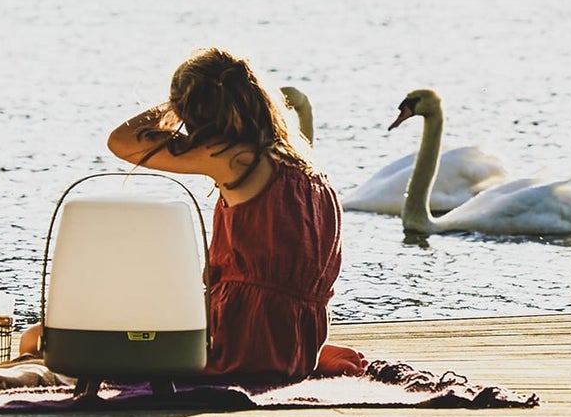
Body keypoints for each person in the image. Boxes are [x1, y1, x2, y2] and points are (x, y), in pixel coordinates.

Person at [19, 46, 364, 384]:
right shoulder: (306, 168)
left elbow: (121, 141)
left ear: (199, 110)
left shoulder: (234, 158)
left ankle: (16, 376)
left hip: (237, 340)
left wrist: (176, 105)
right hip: (299, 341)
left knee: (40, 340)